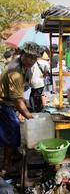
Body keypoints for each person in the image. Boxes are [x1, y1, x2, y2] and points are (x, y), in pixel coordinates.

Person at [0, 42, 41, 175]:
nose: (32, 61)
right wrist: (29, 116)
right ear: (22, 54)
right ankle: (6, 165)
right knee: (12, 129)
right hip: (3, 103)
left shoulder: (25, 66)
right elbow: (17, 100)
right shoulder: (15, 71)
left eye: (35, 58)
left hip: (9, 102)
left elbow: (21, 93)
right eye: (29, 57)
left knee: (14, 129)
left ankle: (14, 154)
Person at [29, 47, 50, 112]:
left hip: (32, 81)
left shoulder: (32, 62)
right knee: (40, 95)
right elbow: (47, 72)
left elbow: (29, 72)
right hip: (40, 82)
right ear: (42, 54)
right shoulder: (45, 63)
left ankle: (33, 108)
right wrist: (43, 75)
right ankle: (39, 109)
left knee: (32, 94)